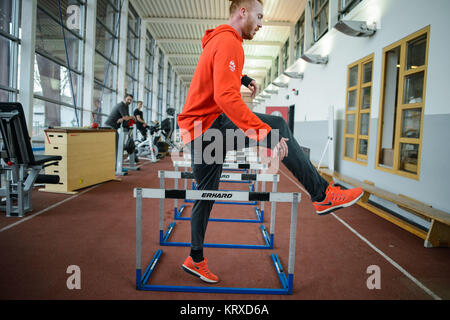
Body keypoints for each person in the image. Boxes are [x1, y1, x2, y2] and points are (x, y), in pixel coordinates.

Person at [176, 0, 363, 284]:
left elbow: (217, 74)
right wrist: (264, 135)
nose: (262, 23)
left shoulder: (218, 40)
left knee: (205, 194)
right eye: (259, 16)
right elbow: (225, 97)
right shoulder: (230, 42)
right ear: (243, 12)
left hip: (196, 131)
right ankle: (322, 195)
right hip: (208, 128)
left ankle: (195, 258)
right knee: (276, 124)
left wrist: (243, 77)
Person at [105, 93, 136, 163]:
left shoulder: (126, 106)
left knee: (118, 145)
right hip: (110, 127)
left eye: (131, 100)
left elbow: (126, 118)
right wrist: (131, 117)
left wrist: (124, 118)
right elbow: (126, 117)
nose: (129, 101)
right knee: (118, 146)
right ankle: (116, 166)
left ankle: (116, 164)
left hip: (114, 128)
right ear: (124, 99)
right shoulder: (121, 105)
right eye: (128, 99)